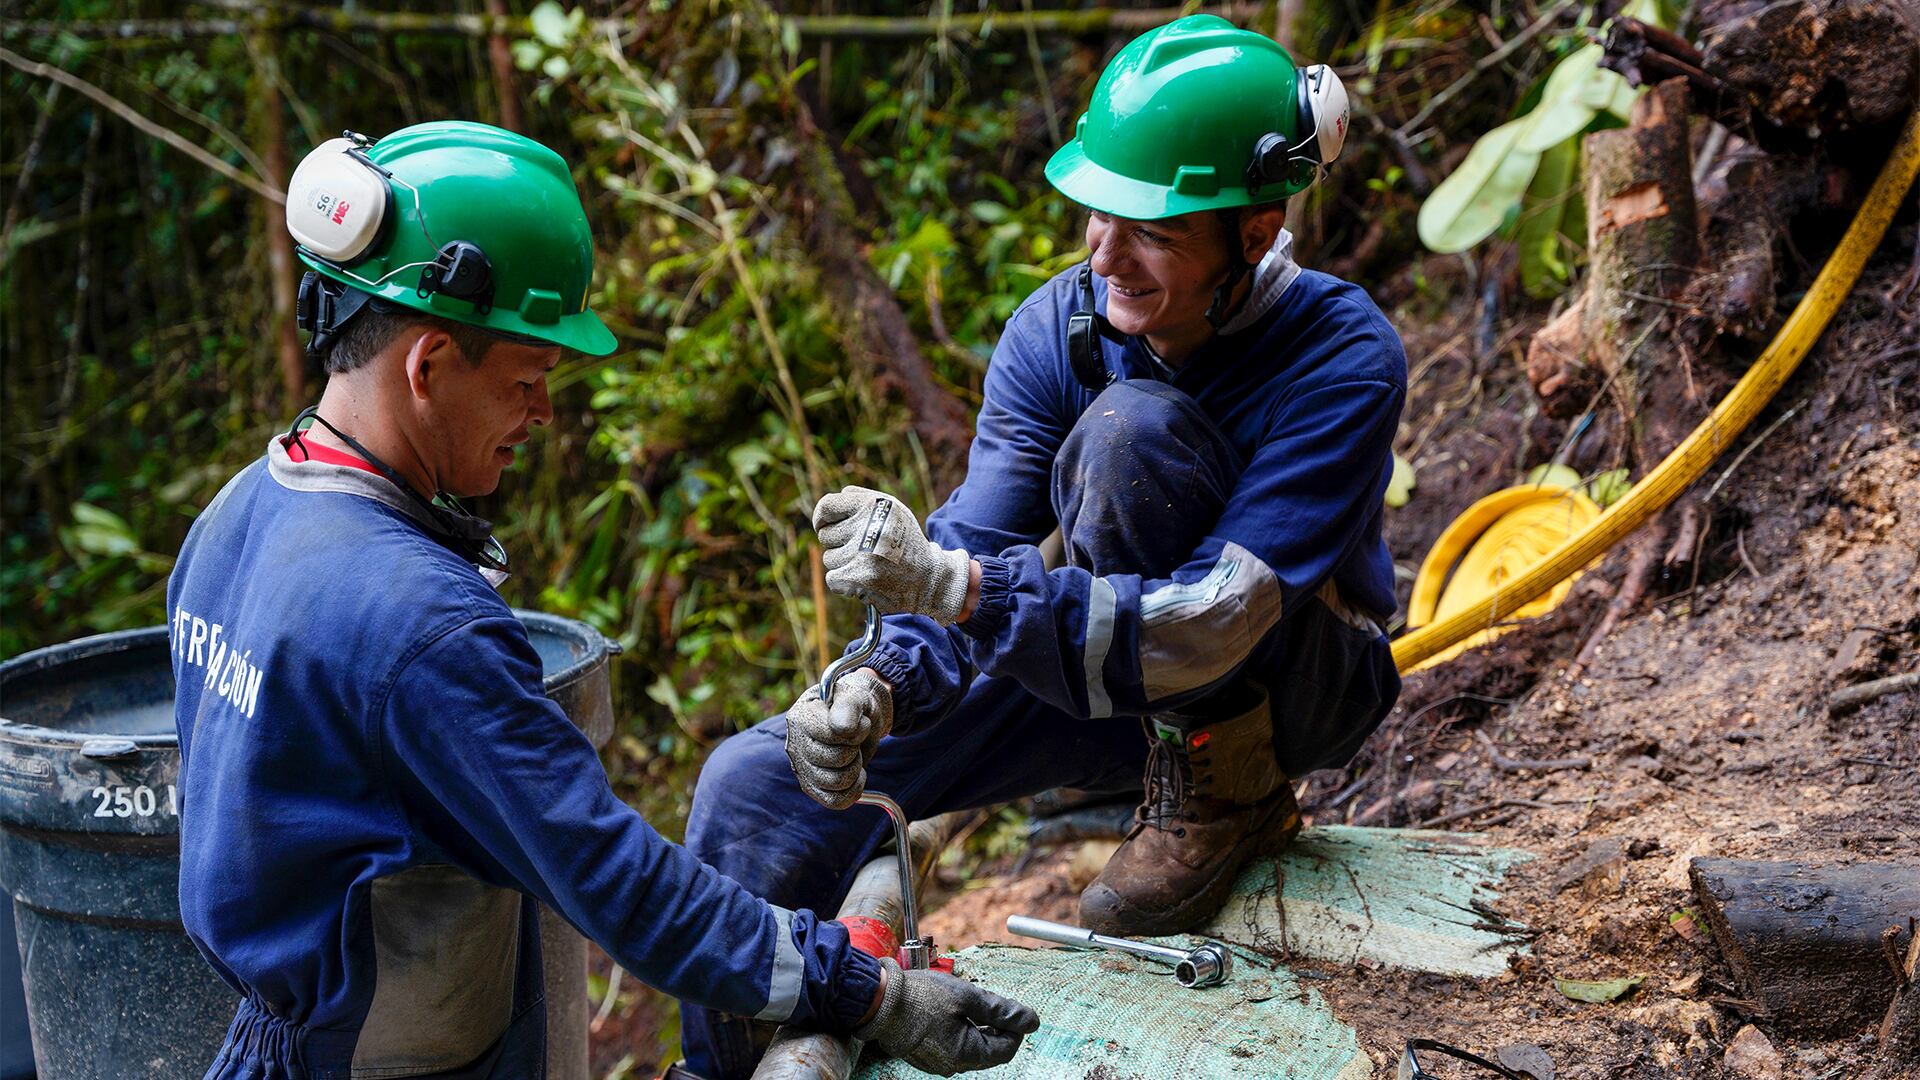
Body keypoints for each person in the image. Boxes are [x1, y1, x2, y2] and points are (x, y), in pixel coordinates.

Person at [167, 120, 1036, 1080]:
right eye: (529, 380)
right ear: (426, 364)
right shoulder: (418, 626)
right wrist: (873, 992)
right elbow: (619, 884)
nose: (541, 414)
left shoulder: (240, 512)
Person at [678, 15, 1405, 1077]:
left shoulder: (1342, 355)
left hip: (1271, 682)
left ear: (1255, 230)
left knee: (1131, 433)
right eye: (1096, 216)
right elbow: (975, 538)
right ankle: (725, 1063)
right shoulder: (1057, 330)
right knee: (750, 786)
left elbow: (1217, 619)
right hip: (1092, 656)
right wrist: (879, 677)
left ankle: (1219, 795)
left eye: (1151, 232)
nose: (1104, 256)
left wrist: (959, 586)